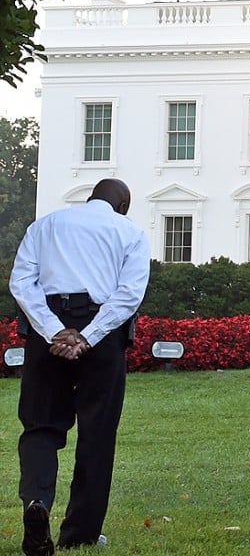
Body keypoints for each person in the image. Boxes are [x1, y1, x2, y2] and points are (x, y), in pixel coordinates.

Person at [9, 179, 150, 556]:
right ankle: (81, 533)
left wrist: (56, 331)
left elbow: (21, 283)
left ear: (91, 197)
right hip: (101, 333)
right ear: (122, 205)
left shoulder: (44, 226)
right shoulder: (130, 232)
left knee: (40, 426)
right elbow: (128, 295)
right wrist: (88, 335)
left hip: (48, 330)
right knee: (97, 433)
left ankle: (36, 504)